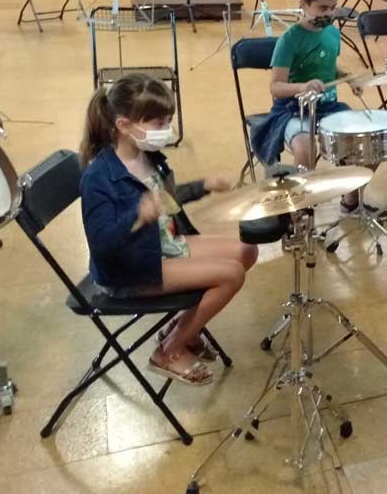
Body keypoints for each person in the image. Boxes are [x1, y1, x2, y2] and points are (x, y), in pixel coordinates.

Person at [80, 74, 258, 386]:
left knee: (247, 249)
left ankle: (179, 327)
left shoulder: (146, 155)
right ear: (124, 125)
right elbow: (103, 245)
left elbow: (166, 198)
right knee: (231, 275)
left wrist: (203, 186)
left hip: (161, 243)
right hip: (130, 268)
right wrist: (137, 215)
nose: (166, 129)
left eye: (168, 120)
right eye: (159, 122)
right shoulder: (98, 178)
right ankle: (170, 350)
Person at [250, 0, 385, 217]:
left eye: (333, 8)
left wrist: (347, 76)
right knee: (305, 147)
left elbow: (326, 65)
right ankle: (301, 212)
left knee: (370, 142)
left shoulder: (332, 33)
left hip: (328, 108)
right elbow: (276, 86)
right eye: (322, 8)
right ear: (303, 4)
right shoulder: (289, 40)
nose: (329, 14)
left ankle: (352, 200)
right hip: (293, 109)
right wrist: (302, 87)